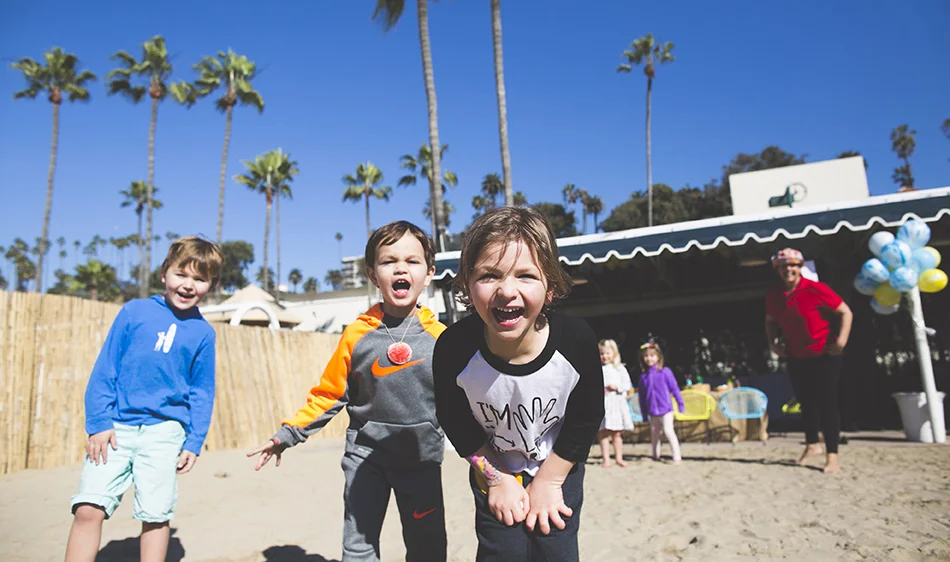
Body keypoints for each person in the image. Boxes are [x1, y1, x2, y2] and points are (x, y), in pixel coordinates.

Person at [248, 221, 448, 562]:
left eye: (412, 261)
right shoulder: (357, 334)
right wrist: (289, 433)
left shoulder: (441, 339)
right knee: (358, 548)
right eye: (389, 261)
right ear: (372, 274)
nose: (401, 268)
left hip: (421, 461)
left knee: (427, 549)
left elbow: (461, 403)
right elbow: (329, 394)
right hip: (366, 460)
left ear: (428, 273)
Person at [433, 206, 604, 562]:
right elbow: (455, 421)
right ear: (466, 284)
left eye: (526, 275)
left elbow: (587, 417)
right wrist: (496, 478)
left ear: (550, 286)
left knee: (555, 550)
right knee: (501, 552)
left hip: (558, 465)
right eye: (489, 275)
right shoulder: (453, 349)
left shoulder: (576, 341)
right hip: (492, 467)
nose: (507, 291)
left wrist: (551, 480)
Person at [65, 236, 222, 562]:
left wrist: (194, 441)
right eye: (181, 274)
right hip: (115, 429)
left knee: (155, 514)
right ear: (164, 273)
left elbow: (202, 391)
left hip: (165, 433)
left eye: (199, 279)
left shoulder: (204, 334)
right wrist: (99, 422)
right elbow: (106, 369)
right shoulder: (134, 312)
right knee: (88, 508)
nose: (188, 285)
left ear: (211, 285)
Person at [765, 247, 852, 474]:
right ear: (778, 270)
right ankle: (812, 444)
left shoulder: (815, 288)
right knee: (806, 402)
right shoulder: (775, 294)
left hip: (825, 354)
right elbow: (770, 321)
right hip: (796, 355)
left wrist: (841, 341)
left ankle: (832, 455)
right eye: (784, 266)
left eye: (793, 265)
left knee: (827, 404)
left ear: (800, 267)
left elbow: (845, 312)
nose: (788, 270)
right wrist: (773, 343)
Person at [637, 342, 684, 463]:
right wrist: (644, 413)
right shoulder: (643, 377)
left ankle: (677, 456)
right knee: (654, 433)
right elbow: (642, 397)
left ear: (658, 357)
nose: (649, 358)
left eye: (652, 355)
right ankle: (655, 454)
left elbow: (675, 388)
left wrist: (680, 404)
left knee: (668, 431)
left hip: (666, 409)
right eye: (646, 356)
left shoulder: (665, 372)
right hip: (653, 411)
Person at [597, 339, 634, 468]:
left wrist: (616, 387)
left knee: (617, 433)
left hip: (617, 403)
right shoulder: (598, 369)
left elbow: (627, 385)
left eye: (607, 353)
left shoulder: (619, 369)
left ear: (614, 353)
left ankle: (619, 458)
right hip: (604, 403)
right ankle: (606, 459)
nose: (605, 356)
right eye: (602, 354)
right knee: (603, 432)